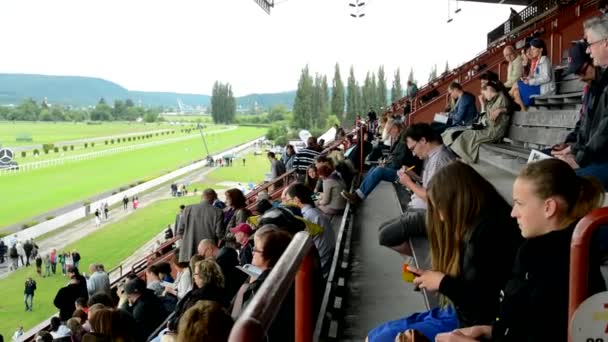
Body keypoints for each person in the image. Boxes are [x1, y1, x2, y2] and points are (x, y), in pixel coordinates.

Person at [435, 159, 606, 342]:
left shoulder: (556, 267)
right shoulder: (546, 253)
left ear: (549, 208)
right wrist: (492, 331)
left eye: (520, 203)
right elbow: (526, 326)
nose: (513, 212)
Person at [367, 162, 522, 341]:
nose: (439, 217)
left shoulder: (488, 235)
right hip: (457, 311)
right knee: (376, 335)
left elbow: (482, 309)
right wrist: (437, 279)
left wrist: (443, 283)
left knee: (379, 338)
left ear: (458, 201)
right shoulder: (479, 223)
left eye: (440, 207)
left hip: (470, 324)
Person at [376, 123, 456, 257]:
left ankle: (432, 257)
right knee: (382, 230)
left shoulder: (440, 159)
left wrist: (409, 183)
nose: (413, 153)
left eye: (413, 148)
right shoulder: (433, 157)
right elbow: (430, 186)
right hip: (421, 210)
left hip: (430, 214)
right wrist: (414, 177)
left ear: (423, 140)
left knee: (385, 235)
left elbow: (433, 198)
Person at [552, 19, 608, 190]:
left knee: (560, 183)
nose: (589, 50)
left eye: (590, 44)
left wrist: (578, 156)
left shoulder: (603, 82)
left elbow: (605, 130)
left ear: (606, 43)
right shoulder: (596, 85)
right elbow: (587, 126)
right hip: (596, 155)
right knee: (547, 166)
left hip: (603, 159)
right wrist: (572, 147)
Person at [232, 226, 294, 341]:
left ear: (271, 255)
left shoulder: (263, 288)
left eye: (257, 249)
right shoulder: (278, 276)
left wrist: (251, 285)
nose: (253, 251)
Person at [341, 120, 421, 205]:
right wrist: (386, 163)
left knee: (379, 171)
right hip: (398, 167)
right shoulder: (399, 138)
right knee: (373, 168)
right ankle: (358, 192)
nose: (389, 134)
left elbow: (399, 161)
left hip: (405, 172)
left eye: (389, 131)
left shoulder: (403, 140)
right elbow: (395, 157)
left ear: (395, 128)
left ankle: (358, 197)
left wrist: (386, 165)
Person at [444, 80, 512, 163]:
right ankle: (465, 157)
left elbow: (491, 121)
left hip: (493, 131)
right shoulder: (493, 100)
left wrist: (485, 119)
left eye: (484, 93)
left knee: (466, 135)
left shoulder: (501, 99)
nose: (483, 96)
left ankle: (467, 159)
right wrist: (483, 104)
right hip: (488, 128)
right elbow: (484, 117)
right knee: (464, 134)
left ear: (489, 90)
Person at [285, 183, 336, 279]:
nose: (286, 203)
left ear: (296, 200)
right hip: (328, 260)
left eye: (288, 200)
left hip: (322, 267)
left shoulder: (307, 217)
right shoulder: (314, 211)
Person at [177, 189, 225, 262]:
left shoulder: (187, 209)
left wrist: (188, 240)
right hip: (207, 253)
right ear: (214, 198)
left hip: (188, 253)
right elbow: (219, 234)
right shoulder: (218, 212)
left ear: (202, 197)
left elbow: (180, 231)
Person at [511, 38, 556, 111]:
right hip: (539, 86)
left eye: (534, 49)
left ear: (541, 49)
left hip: (545, 89)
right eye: (531, 49)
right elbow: (537, 76)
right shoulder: (538, 60)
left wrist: (530, 82)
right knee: (516, 91)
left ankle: (523, 110)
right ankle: (524, 110)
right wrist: (527, 79)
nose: (531, 51)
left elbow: (547, 77)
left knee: (517, 88)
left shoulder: (545, 60)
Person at [119, 277, 168, 341]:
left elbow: (140, 334)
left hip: (154, 336)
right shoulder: (150, 295)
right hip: (162, 330)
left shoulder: (139, 309)